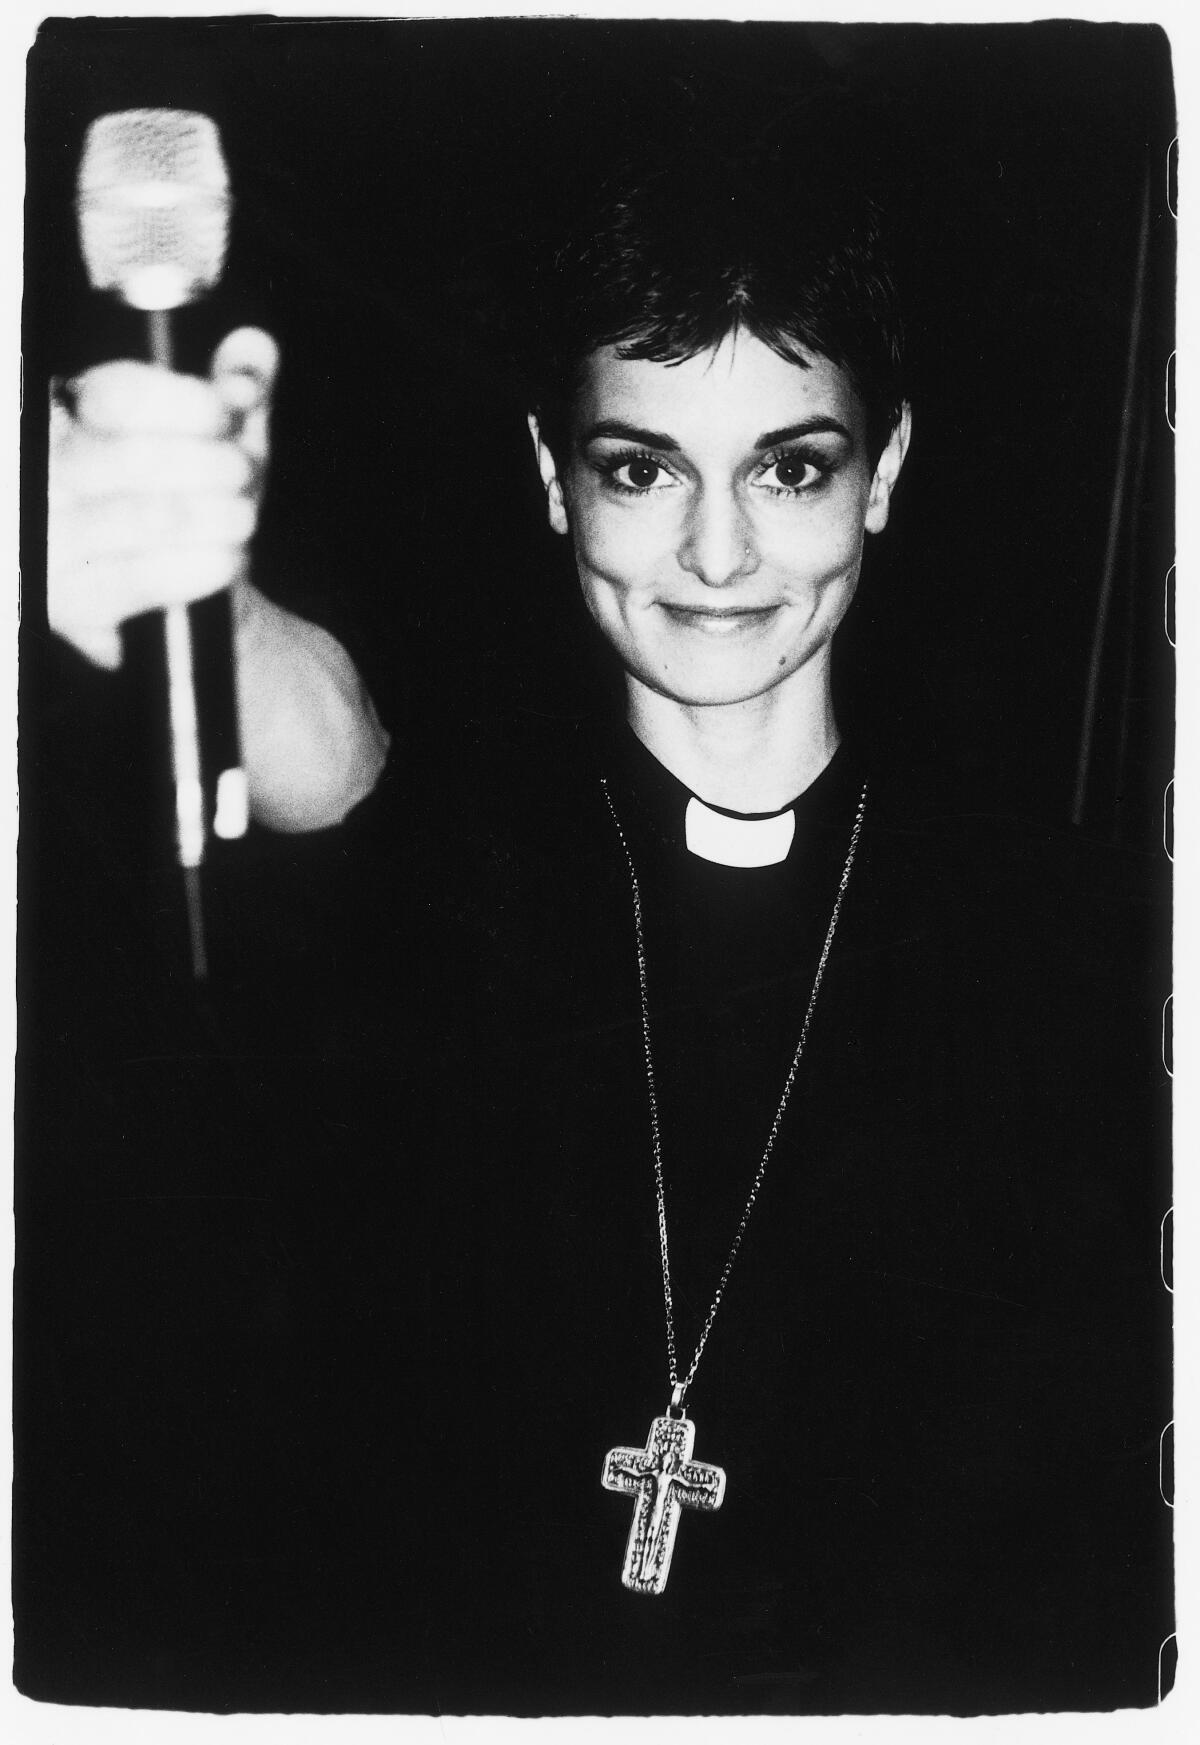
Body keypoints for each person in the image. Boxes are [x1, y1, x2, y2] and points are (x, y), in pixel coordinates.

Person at [23, 141, 1169, 1716]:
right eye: (641, 468)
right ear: (555, 476)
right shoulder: (448, 888)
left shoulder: (1082, 943)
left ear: (885, 469)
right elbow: (330, 764)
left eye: (790, 465)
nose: (716, 554)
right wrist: (195, 590)